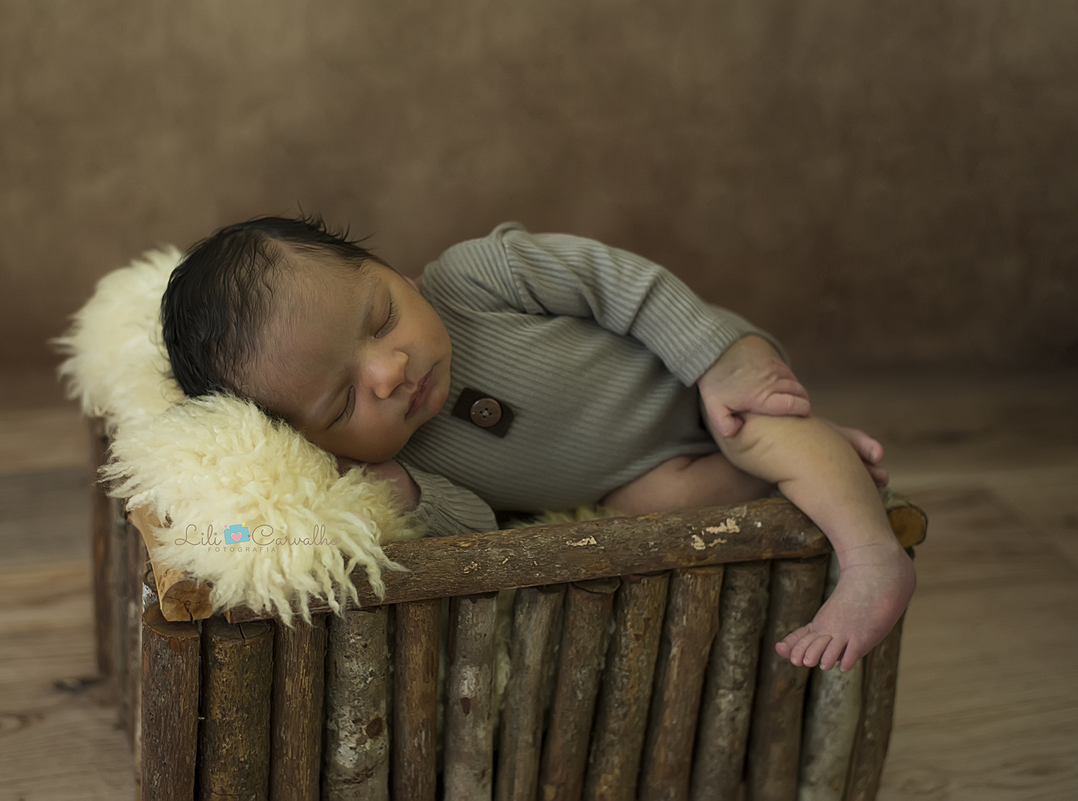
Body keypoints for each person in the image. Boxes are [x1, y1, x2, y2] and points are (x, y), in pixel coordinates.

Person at [161, 215, 915, 673]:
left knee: (751, 426)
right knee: (660, 504)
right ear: (308, 438)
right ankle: (814, 463)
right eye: (343, 399)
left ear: (392, 272)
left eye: (381, 316)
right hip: (645, 472)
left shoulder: (474, 278)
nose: (390, 372)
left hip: (699, 380)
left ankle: (872, 559)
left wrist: (723, 354)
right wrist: (408, 496)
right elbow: (483, 524)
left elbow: (620, 283)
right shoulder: (398, 461)